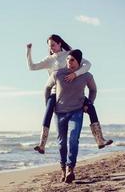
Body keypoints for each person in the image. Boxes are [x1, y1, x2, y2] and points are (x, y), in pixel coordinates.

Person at [26, 35, 112, 154]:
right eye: (49, 46)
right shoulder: (49, 59)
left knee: (91, 107)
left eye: (53, 45)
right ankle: (42, 144)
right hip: (56, 92)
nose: (51, 48)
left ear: (60, 43)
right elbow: (32, 67)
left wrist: (75, 74)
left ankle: (100, 140)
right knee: (48, 110)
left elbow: (88, 65)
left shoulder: (70, 55)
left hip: (74, 93)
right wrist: (28, 51)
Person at [45, 49, 95, 183]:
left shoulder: (86, 76)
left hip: (76, 111)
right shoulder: (57, 74)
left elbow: (93, 89)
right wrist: (48, 106)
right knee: (61, 143)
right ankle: (62, 168)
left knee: (73, 139)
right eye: (67, 59)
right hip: (59, 112)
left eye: (72, 60)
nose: (69, 62)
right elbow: (47, 87)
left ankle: (70, 168)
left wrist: (88, 104)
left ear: (79, 62)